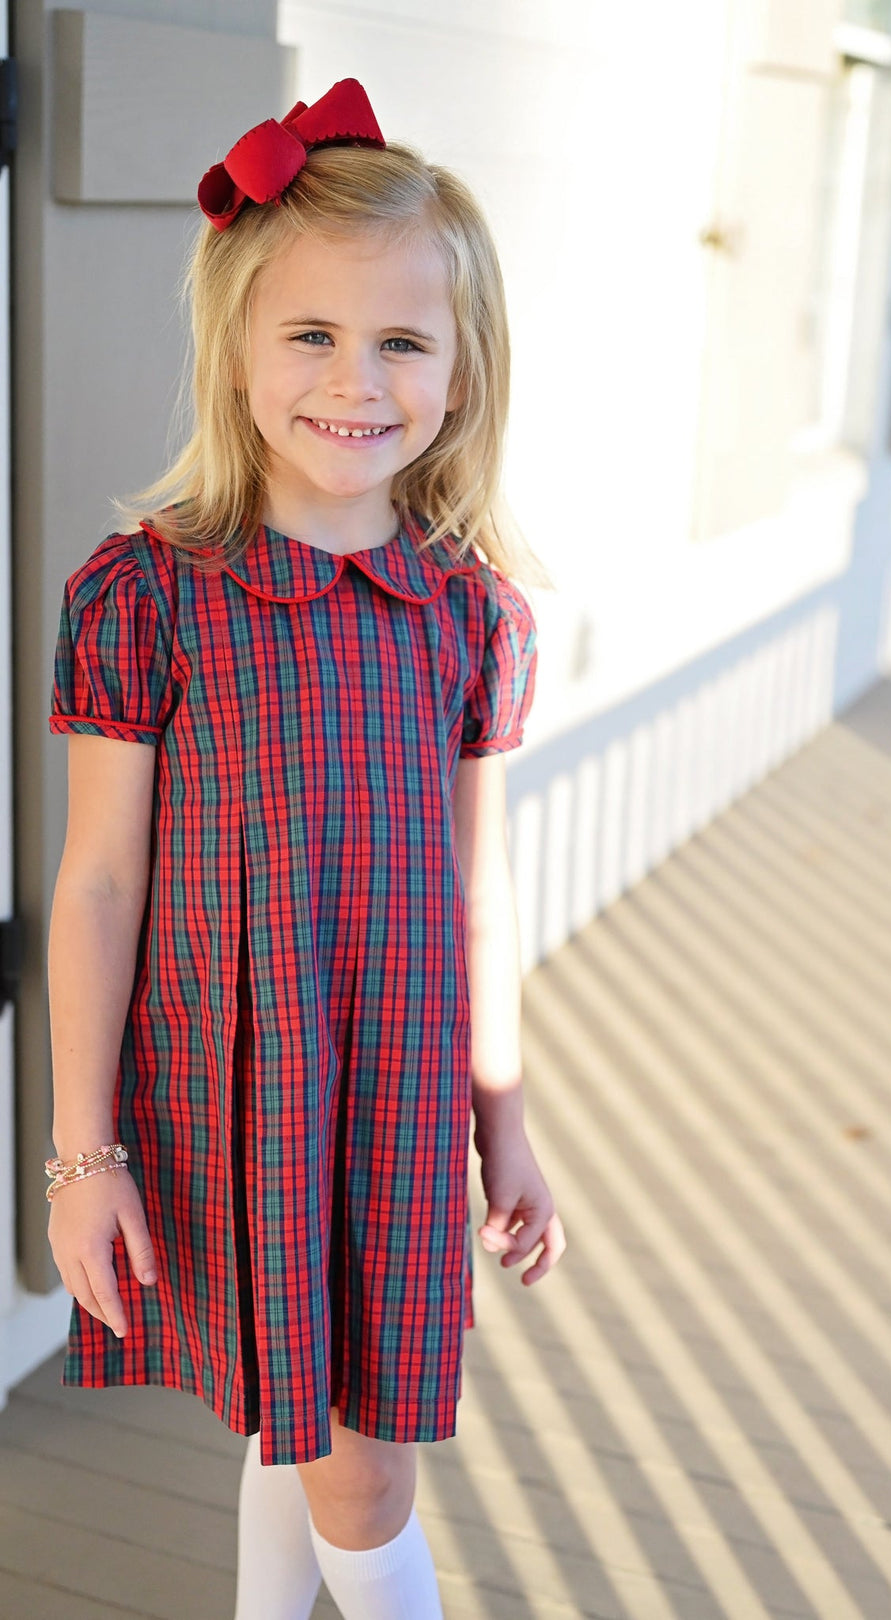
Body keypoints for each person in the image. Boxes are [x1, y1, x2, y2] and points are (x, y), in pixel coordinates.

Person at [44, 77, 566, 1620]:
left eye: (403, 341)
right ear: (238, 351)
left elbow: (478, 893)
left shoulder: (471, 614)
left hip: (392, 1103)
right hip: (234, 1095)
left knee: (324, 1428)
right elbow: (101, 883)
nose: (357, 380)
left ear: (461, 375)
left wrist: (504, 1122)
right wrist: (83, 1153)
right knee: (351, 1466)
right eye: (314, 335)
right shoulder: (150, 596)